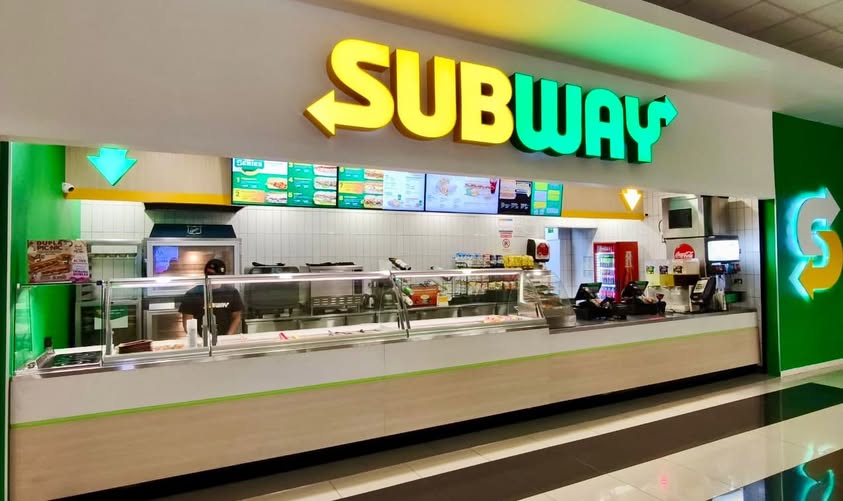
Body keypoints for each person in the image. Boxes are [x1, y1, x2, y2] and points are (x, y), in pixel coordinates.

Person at [179, 258, 243, 342]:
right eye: (208, 275)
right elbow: (187, 322)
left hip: (225, 339)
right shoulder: (192, 294)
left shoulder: (232, 292)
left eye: (215, 276)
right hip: (201, 341)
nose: (211, 278)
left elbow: (236, 317)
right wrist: (198, 341)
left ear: (222, 276)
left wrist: (227, 337)